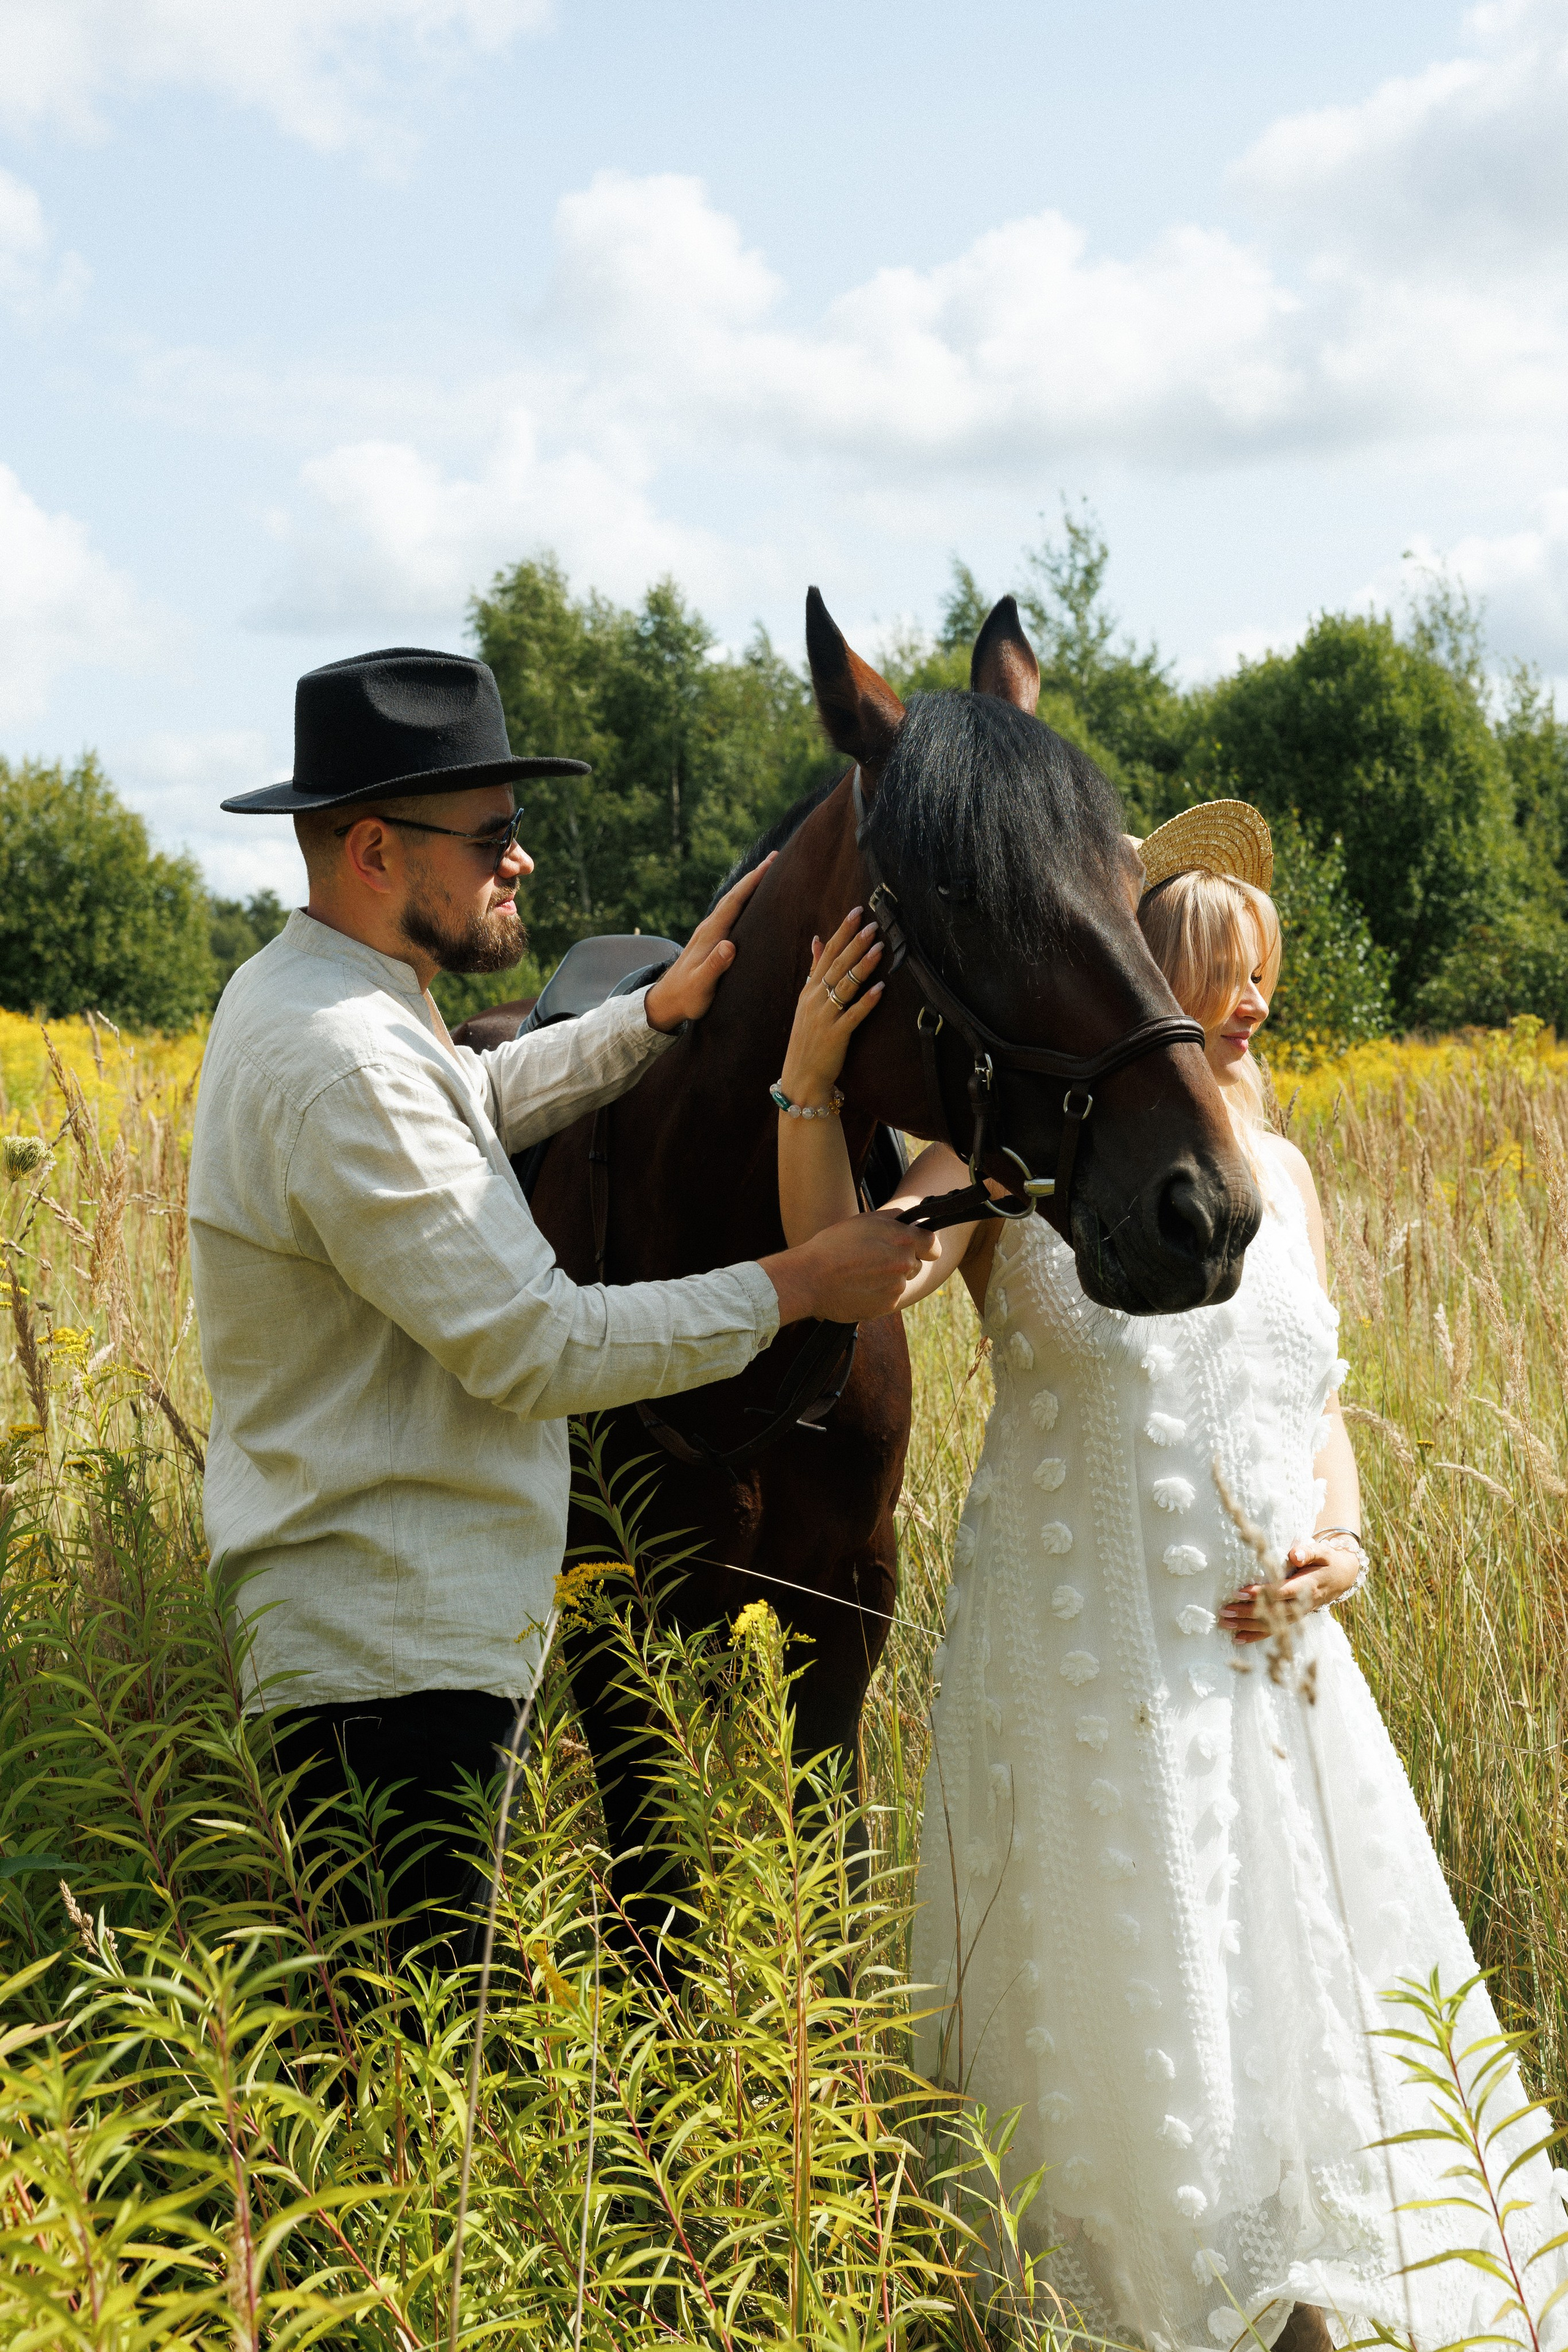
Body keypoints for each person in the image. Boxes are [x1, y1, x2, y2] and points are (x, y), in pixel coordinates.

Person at [774, 799, 1566, 2351]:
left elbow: (1313, 1405)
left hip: (1269, 1668)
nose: (1250, 999)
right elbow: (837, 1272)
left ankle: (1304, 2294)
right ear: (1135, 973)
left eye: (1260, 970)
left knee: (1295, 1982)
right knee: (1123, 1992)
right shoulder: (1010, 1167)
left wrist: (1340, 1539)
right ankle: (1129, 2298)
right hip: (1077, 1658)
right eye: (1218, 964)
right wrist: (808, 1084)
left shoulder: (1281, 1178)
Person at [190, 645, 933, 1970]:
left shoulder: (322, 1000)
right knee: (415, 2060)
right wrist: (802, 1283)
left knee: (409, 2059)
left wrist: (646, 1018)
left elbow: (465, 1112)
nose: (517, 863)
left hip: (388, 1622)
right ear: (373, 850)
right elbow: (537, 1344)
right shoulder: (345, 1061)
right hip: (390, 1658)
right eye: (490, 837)